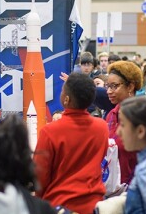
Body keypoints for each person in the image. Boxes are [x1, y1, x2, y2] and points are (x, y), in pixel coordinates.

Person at [34, 73, 109, 213]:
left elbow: (40, 175)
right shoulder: (102, 127)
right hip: (94, 205)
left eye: (63, 91)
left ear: (66, 99)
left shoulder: (49, 131)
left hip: (60, 205)